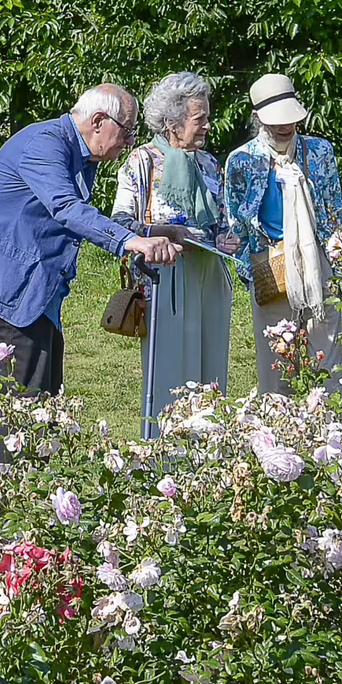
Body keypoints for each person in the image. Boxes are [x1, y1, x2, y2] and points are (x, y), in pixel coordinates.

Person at [0, 84, 181, 402]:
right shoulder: (44, 144)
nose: (130, 141)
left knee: (48, 407)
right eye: (126, 130)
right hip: (3, 291)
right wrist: (130, 242)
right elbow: (66, 208)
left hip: (35, 295)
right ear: (98, 121)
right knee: (23, 410)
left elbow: (77, 215)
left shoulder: (81, 155)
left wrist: (151, 232)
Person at [112, 71, 240, 430]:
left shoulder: (209, 164)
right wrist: (161, 232)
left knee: (211, 365)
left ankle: (208, 447)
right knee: (167, 367)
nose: (208, 126)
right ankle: (164, 449)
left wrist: (226, 238)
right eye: (200, 119)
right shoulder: (142, 161)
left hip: (209, 275)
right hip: (163, 276)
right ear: (172, 122)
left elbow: (222, 222)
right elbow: (119, 223)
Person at [223, 73, 342, 393]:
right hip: (270, 264)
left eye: (289, 118)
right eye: (276, 120)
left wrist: (337, 262)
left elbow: (335, 207)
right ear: (258, 118)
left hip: (318, 261)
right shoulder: (242, 160)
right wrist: (250, 271)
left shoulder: (319, 151)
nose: (285, 126)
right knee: (277, 362)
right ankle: (279, 421)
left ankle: (330, 421)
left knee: (328, 357)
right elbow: (236, 222)